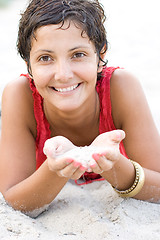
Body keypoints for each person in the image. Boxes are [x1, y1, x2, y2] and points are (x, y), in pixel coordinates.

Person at [0, 0, 160, 216]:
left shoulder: (121, 87)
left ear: (100, 55)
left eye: (78, 54)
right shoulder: (19, 95)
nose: (63, 74)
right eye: (45, 58)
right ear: (29, 65)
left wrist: (114, 165)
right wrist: (55, 168)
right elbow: (14, 198)